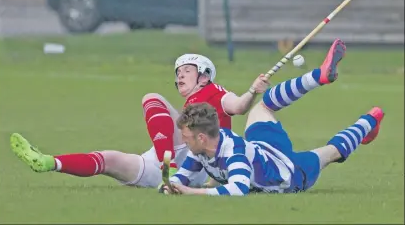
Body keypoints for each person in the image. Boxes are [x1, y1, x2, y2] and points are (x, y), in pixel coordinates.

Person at [162, 39, 385, 196]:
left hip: (289, 173)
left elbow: (238, 189)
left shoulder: (232, 151)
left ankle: (369, 120)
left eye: (187, 71)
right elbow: (182, 175)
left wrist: (192, 192)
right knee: (263, 107)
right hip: (262, 148)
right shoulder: (200, 150)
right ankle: (322, 80)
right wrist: (171, 185)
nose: (184, 141)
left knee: (330, 153)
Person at [10, 53, 269, 188]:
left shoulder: (216, 92)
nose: (179, 76)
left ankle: (170, 167)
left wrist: (253, 90)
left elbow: (239, 107)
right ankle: (48, 162)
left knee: (152, 97)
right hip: (174, 162)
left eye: (187, 71)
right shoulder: (189, 106)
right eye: (177, 73)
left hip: (195, 164)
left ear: (204, 77)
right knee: (109, 159)